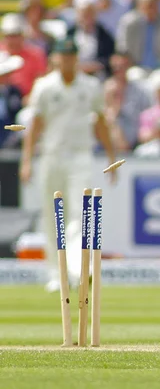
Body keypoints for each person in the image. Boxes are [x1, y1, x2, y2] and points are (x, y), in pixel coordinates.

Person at [19, 37, 116, 293]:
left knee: (78, 212)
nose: (68, 60)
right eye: (63, 55)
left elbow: (100, 122)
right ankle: (56, 274)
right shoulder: (44, 86)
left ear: (77, 58)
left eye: (72, 55)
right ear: (55, 58)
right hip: (51, 156)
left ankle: (76, 267)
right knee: (53, 216)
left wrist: (111, 157)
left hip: (80, 155)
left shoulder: (91, 86)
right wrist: (27, 159)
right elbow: (35, 125)